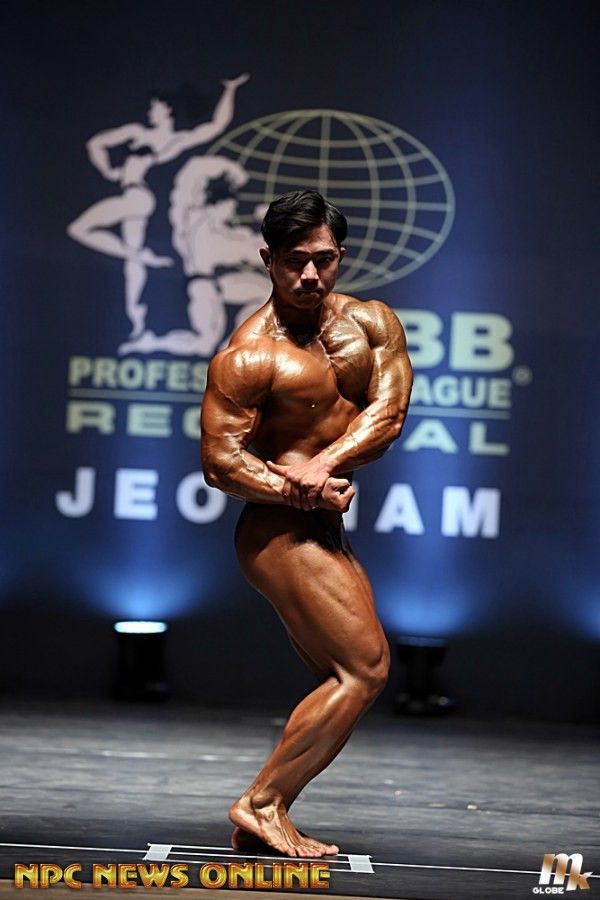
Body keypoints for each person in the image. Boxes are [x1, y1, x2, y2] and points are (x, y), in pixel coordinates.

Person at [200, 190, 413, 858]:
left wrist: (320, 466)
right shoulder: (248, 354)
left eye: (323, 259)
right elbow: (220, 463)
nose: (310, 275)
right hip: (276, 532)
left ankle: (261, 816)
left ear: (340, 255)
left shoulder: (372, 323)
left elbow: (388, 413)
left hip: (319, 522)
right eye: (295, 261)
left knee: (348, 671)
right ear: (268, 259)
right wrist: (298, 491)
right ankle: (262, 803)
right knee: (364, 669)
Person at [67, 74, 249, 339]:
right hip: (136, 196)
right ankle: (136, 323)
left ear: (167, 110)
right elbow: (96, 144)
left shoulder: (170, 140)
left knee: (80, 228)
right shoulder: (139, 133)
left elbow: (215, 126)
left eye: (155, 107)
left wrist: (229, 90)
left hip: (137, 197)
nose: (150, 112)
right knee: (132, 266)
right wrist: (108, 170)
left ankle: (142, 258)